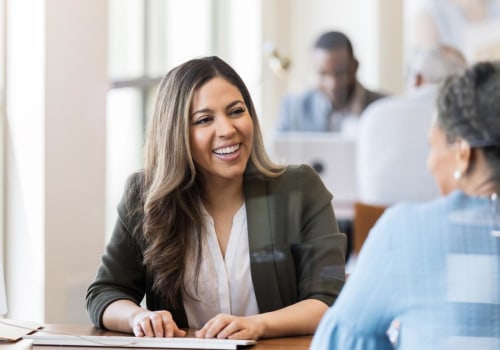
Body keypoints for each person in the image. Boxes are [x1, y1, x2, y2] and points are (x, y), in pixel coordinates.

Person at [86, 56, 346, 340]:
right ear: (177, 133)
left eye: (236, 111)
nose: (227, 130)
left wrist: (258, 325)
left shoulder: (299, 188)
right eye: (204, 119)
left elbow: (328, 300)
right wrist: (139, 317)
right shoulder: (144, 195)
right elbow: (105, 293)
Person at [311, 61, 500, 349]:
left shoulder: (408, 232)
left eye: (432, 146)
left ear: (463, 153)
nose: (430, 163)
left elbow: (338, 341)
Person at [357, 45, 467, 206]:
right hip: (444, 220)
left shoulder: (373, 113)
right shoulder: (465, 120)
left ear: (417, 78)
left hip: (371, 223)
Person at [276, 31, 386, 134]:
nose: (333, 84)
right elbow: (275, 152)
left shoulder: (384, 107)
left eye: (340, 73)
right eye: (322, 74)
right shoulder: (294, 108)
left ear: (355, 66)